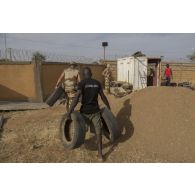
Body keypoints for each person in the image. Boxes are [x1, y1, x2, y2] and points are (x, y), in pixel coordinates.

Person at [67, 67, 110, 161]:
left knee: (82, 129)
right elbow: (103, 97)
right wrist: (108, 108)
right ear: (91, 74)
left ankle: (82, 138)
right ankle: (100, 156)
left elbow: (76, 98)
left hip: (84, 113)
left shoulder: (81, 83)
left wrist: (69, 112)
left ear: (83, 75)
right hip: (95, 112)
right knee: (98, 133)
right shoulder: (97, 83)